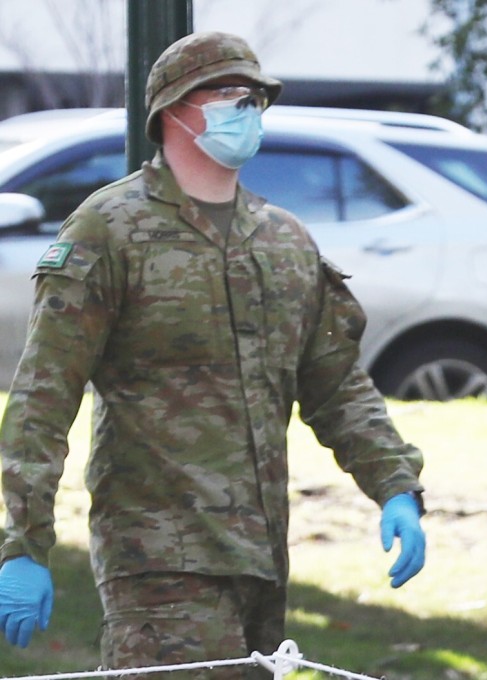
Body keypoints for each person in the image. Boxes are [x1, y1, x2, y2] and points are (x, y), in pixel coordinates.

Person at [0, 31, 426, 672]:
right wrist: (23, 542)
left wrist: (394, 485)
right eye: (227, 95)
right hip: (158, 561)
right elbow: (43, 395)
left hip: (260, 559)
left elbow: (336, 385)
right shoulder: (110, 230)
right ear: (173, 111)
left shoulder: (283, 240)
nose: (245, 111)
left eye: (254, 98)